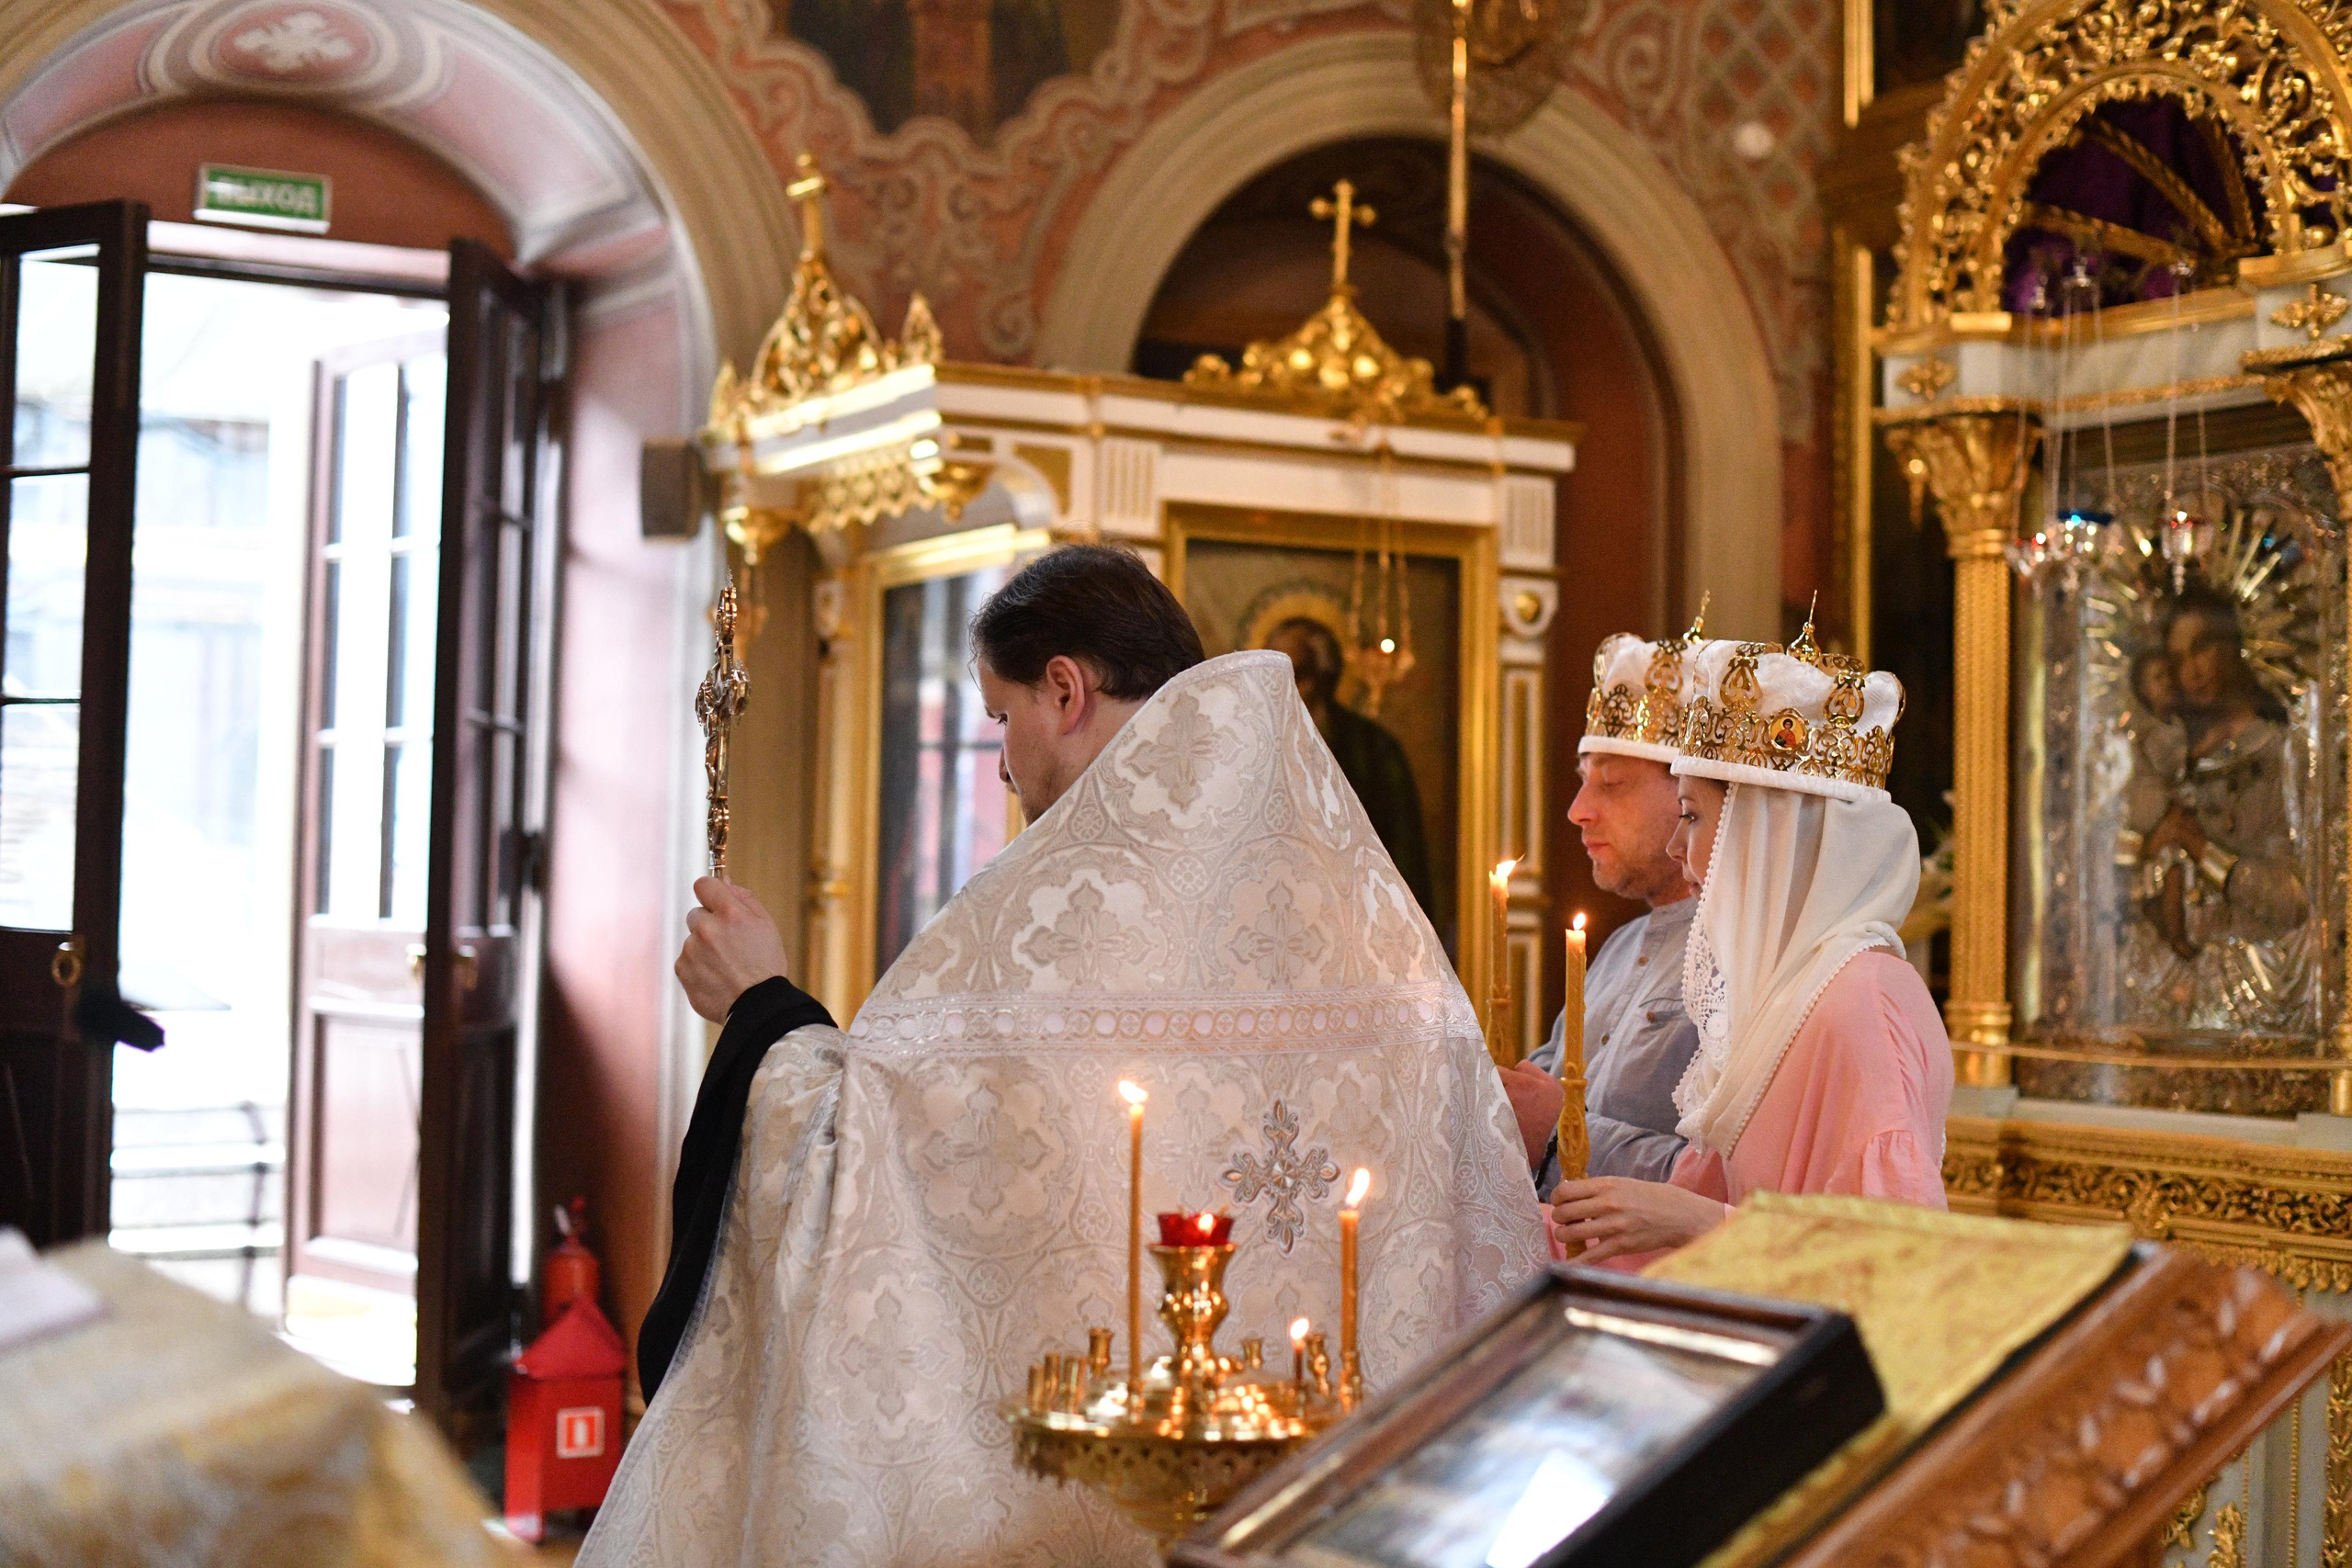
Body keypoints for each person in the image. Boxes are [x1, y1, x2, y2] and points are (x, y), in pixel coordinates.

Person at [586, 544, 1544, 1568]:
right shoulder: (1351, 887)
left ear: (1064, 688)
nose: (999, 763)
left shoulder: (1060, 910)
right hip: (1340, 1510)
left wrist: (758, 1007)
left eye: (1002, 720)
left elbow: (859, 1150)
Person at [1547, 637, 1953, 1264]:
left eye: (1693, 817)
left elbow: (1899, 1263)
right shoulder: (1785, 994)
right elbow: (1671, 1219)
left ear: (1769, 834)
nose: (1680, 850)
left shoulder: (1863, 1000)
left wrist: (1701, 1222)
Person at [1502, 626, 1703, 1193]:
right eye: (1583, 781)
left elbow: (1726, 1184)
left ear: (1688, 794)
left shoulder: (1741, 956)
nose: (1578, 810)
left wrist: (1561, 1133)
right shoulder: (1617, 947)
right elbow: (1535, 1095)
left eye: (1611, 784)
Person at [1262, 615, 1437, 920]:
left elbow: (1405, 865)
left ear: (1323, 680)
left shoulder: (1375, 752)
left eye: (1296, 676)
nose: (1281, 690)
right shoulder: (1253, 747)